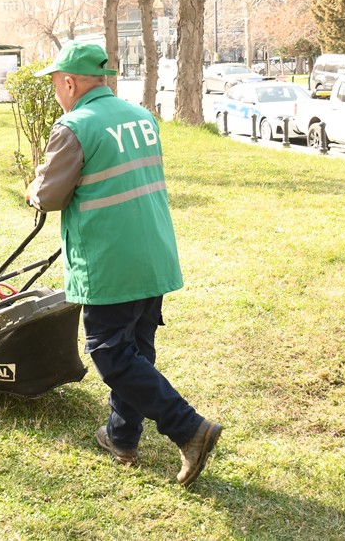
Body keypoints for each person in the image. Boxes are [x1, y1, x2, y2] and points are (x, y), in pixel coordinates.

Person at [25, 42, 222, 487]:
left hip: (111, 261)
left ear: (69, 83)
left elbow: (50, 195)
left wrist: (33, 191)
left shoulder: (74, 126)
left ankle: (189, 429)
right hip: (152, 253)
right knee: (137, 349)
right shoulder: (142, 118)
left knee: (110, 354)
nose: (56, 91)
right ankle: (121, 436)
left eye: (55, 83)